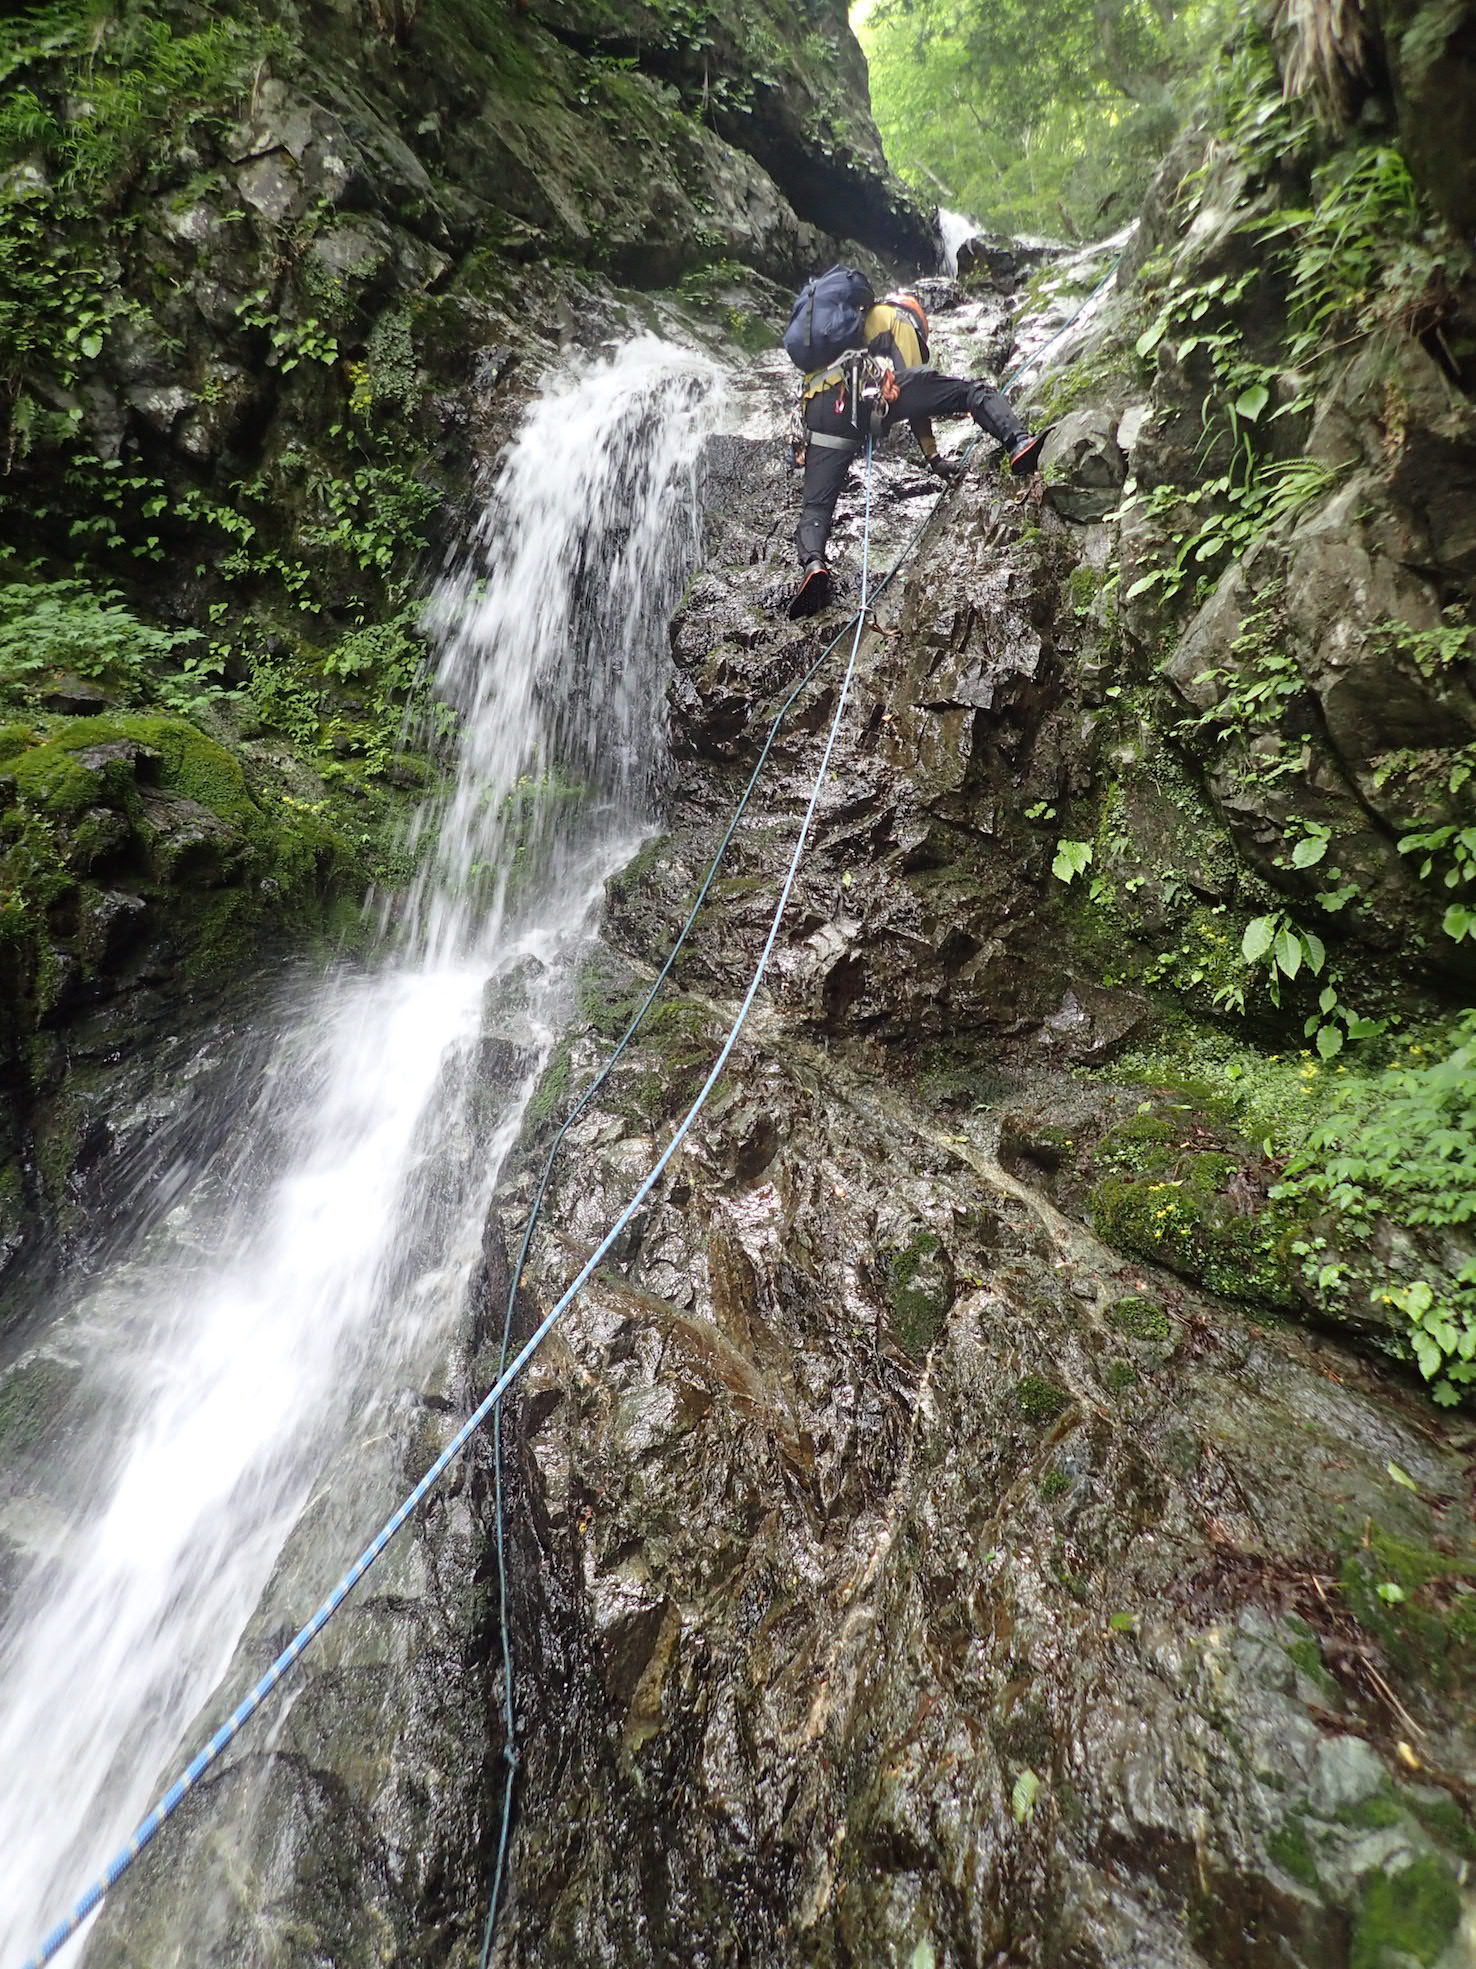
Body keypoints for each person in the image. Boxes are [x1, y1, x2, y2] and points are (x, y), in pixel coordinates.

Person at [789, 289, 1046, 619]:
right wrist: (933, 458)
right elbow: (915, 387)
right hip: (864, 393)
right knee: (973, 391)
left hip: (821, 409)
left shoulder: (833, 342)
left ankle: (814, 564)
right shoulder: (898, 320)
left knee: (816, 506)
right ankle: (1018, 441)